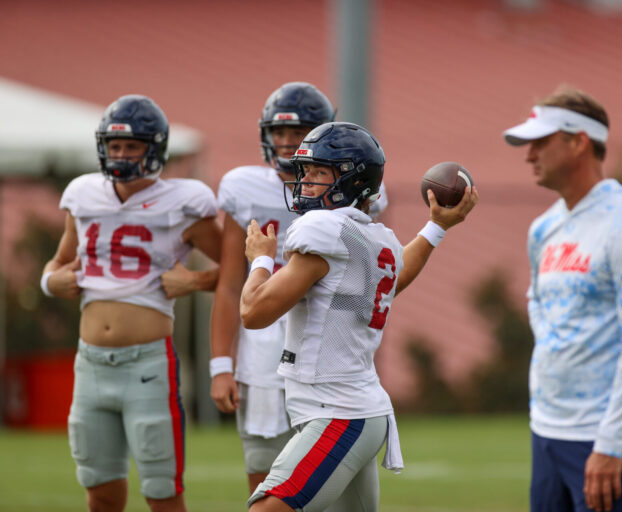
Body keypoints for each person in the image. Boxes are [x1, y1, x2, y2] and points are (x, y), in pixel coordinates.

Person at [238, 121, 477, 511]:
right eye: (305, 171)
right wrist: (435, 227)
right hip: (355, 410)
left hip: (339, 413)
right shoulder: (374, 238)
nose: (306, 181)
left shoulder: (325, 229)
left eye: (319, 172)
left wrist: (261, 259)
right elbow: (398, 275)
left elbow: (253, 312)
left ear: (355, 180)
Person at [41, 94, 221, 512]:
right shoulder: (83, 194)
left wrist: (195, 280)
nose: (121, 154)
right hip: (90, 364)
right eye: (115, 145)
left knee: (162, 491)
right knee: (99, 491)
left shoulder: (184, 202)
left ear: (154, 149)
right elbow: (58, 262)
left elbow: (237, 270)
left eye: (132, 146)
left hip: (147, 365)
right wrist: (50, 281)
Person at [210, 81, 387, 493]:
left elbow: (370, 280)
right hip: (264, 344)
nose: (289, 142)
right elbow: (229, 281)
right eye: (280, 132)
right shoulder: (244, 187)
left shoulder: (356, 194)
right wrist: (221, 365)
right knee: (265, 475)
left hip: (326, 349)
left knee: (329, 482)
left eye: (299, 132)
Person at [503, 87, 622, 512]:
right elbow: (536, 299)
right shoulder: (543, 228)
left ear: (579, 142)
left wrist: (611, 443)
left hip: (603, 435)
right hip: (547, 428)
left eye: (541, 142)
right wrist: (558, 343)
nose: (529, 155)